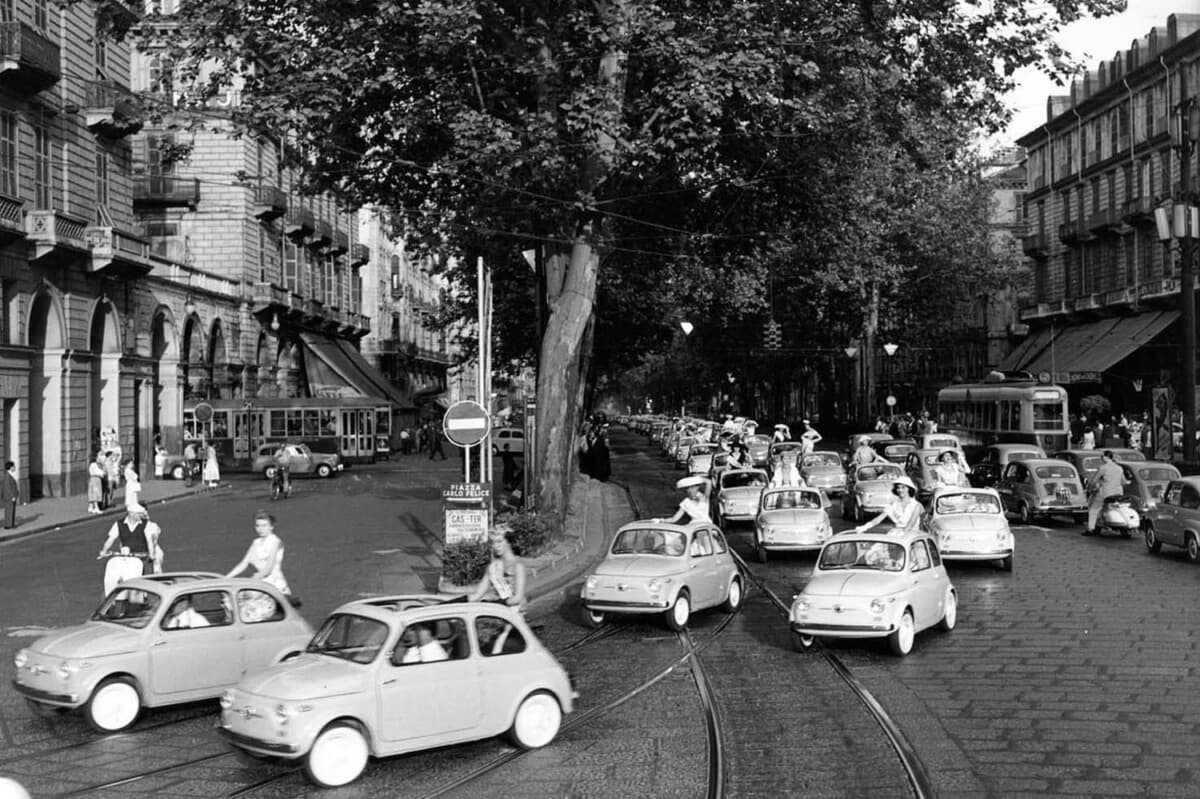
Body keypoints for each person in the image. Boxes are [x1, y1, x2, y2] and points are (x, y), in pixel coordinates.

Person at [99, 504, 162, 595]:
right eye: (138, 514)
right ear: (131, 514)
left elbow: (149, 540)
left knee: (149, 583)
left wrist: (151, 554)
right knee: (117, 577)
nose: (140, 516)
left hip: (143, 557)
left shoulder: (146, 524)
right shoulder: (119, 524)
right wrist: (104, 551)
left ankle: (149, 597)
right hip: (127, 557)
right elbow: (110, 539)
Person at [226, 510, 291, 596]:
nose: (260, 529)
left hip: (275, 586)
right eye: (258, 525)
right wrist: (227, 577)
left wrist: (250, 582)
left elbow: (268, 570)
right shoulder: (256, 542)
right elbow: (244, 563)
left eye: (264, 525)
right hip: (261, 584)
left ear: (271, 527)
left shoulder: (275, 542)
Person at [467, 527, 528, 612]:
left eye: (499, 541)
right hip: (501, 612)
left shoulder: (518, 565)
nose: (496, 546)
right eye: (493, 543)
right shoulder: (492, 567)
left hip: (515, 614)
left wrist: (495, 604)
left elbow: (517, 598)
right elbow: (476, 595)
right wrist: (452, 601)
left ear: (508, 542)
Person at [854, 476, 922, 535]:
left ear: (909, 489)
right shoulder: (894, 504)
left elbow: (910, 525)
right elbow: (879, 519)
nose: (900, 490)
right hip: (897, 533)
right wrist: (864, 527)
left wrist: (900, 534)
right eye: (898, 488)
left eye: (903, 487)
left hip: (912, 536)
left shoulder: (916, 505)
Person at [1083, 450, 1128, 537]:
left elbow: (1094, 481)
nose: (1101, 458)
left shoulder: (1103, 468)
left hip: (1105, 493)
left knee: (1093, 509)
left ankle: (1091, 529)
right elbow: (1124, 482)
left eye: (1102, 456)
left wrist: (1089, 489)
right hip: (1118, 493)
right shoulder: (1119, 468)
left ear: (1106, 457)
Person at [2, 460, 18, 529]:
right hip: (9, 497)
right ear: (10, 467)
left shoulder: (9, 475)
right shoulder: (7, 476)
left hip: (11, 496)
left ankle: (11, 524)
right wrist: (12, 496)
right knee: (9, 510)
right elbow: (8, 487)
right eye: (13, 466)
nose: (14, 468)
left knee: (12, 510)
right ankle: (8, 525)